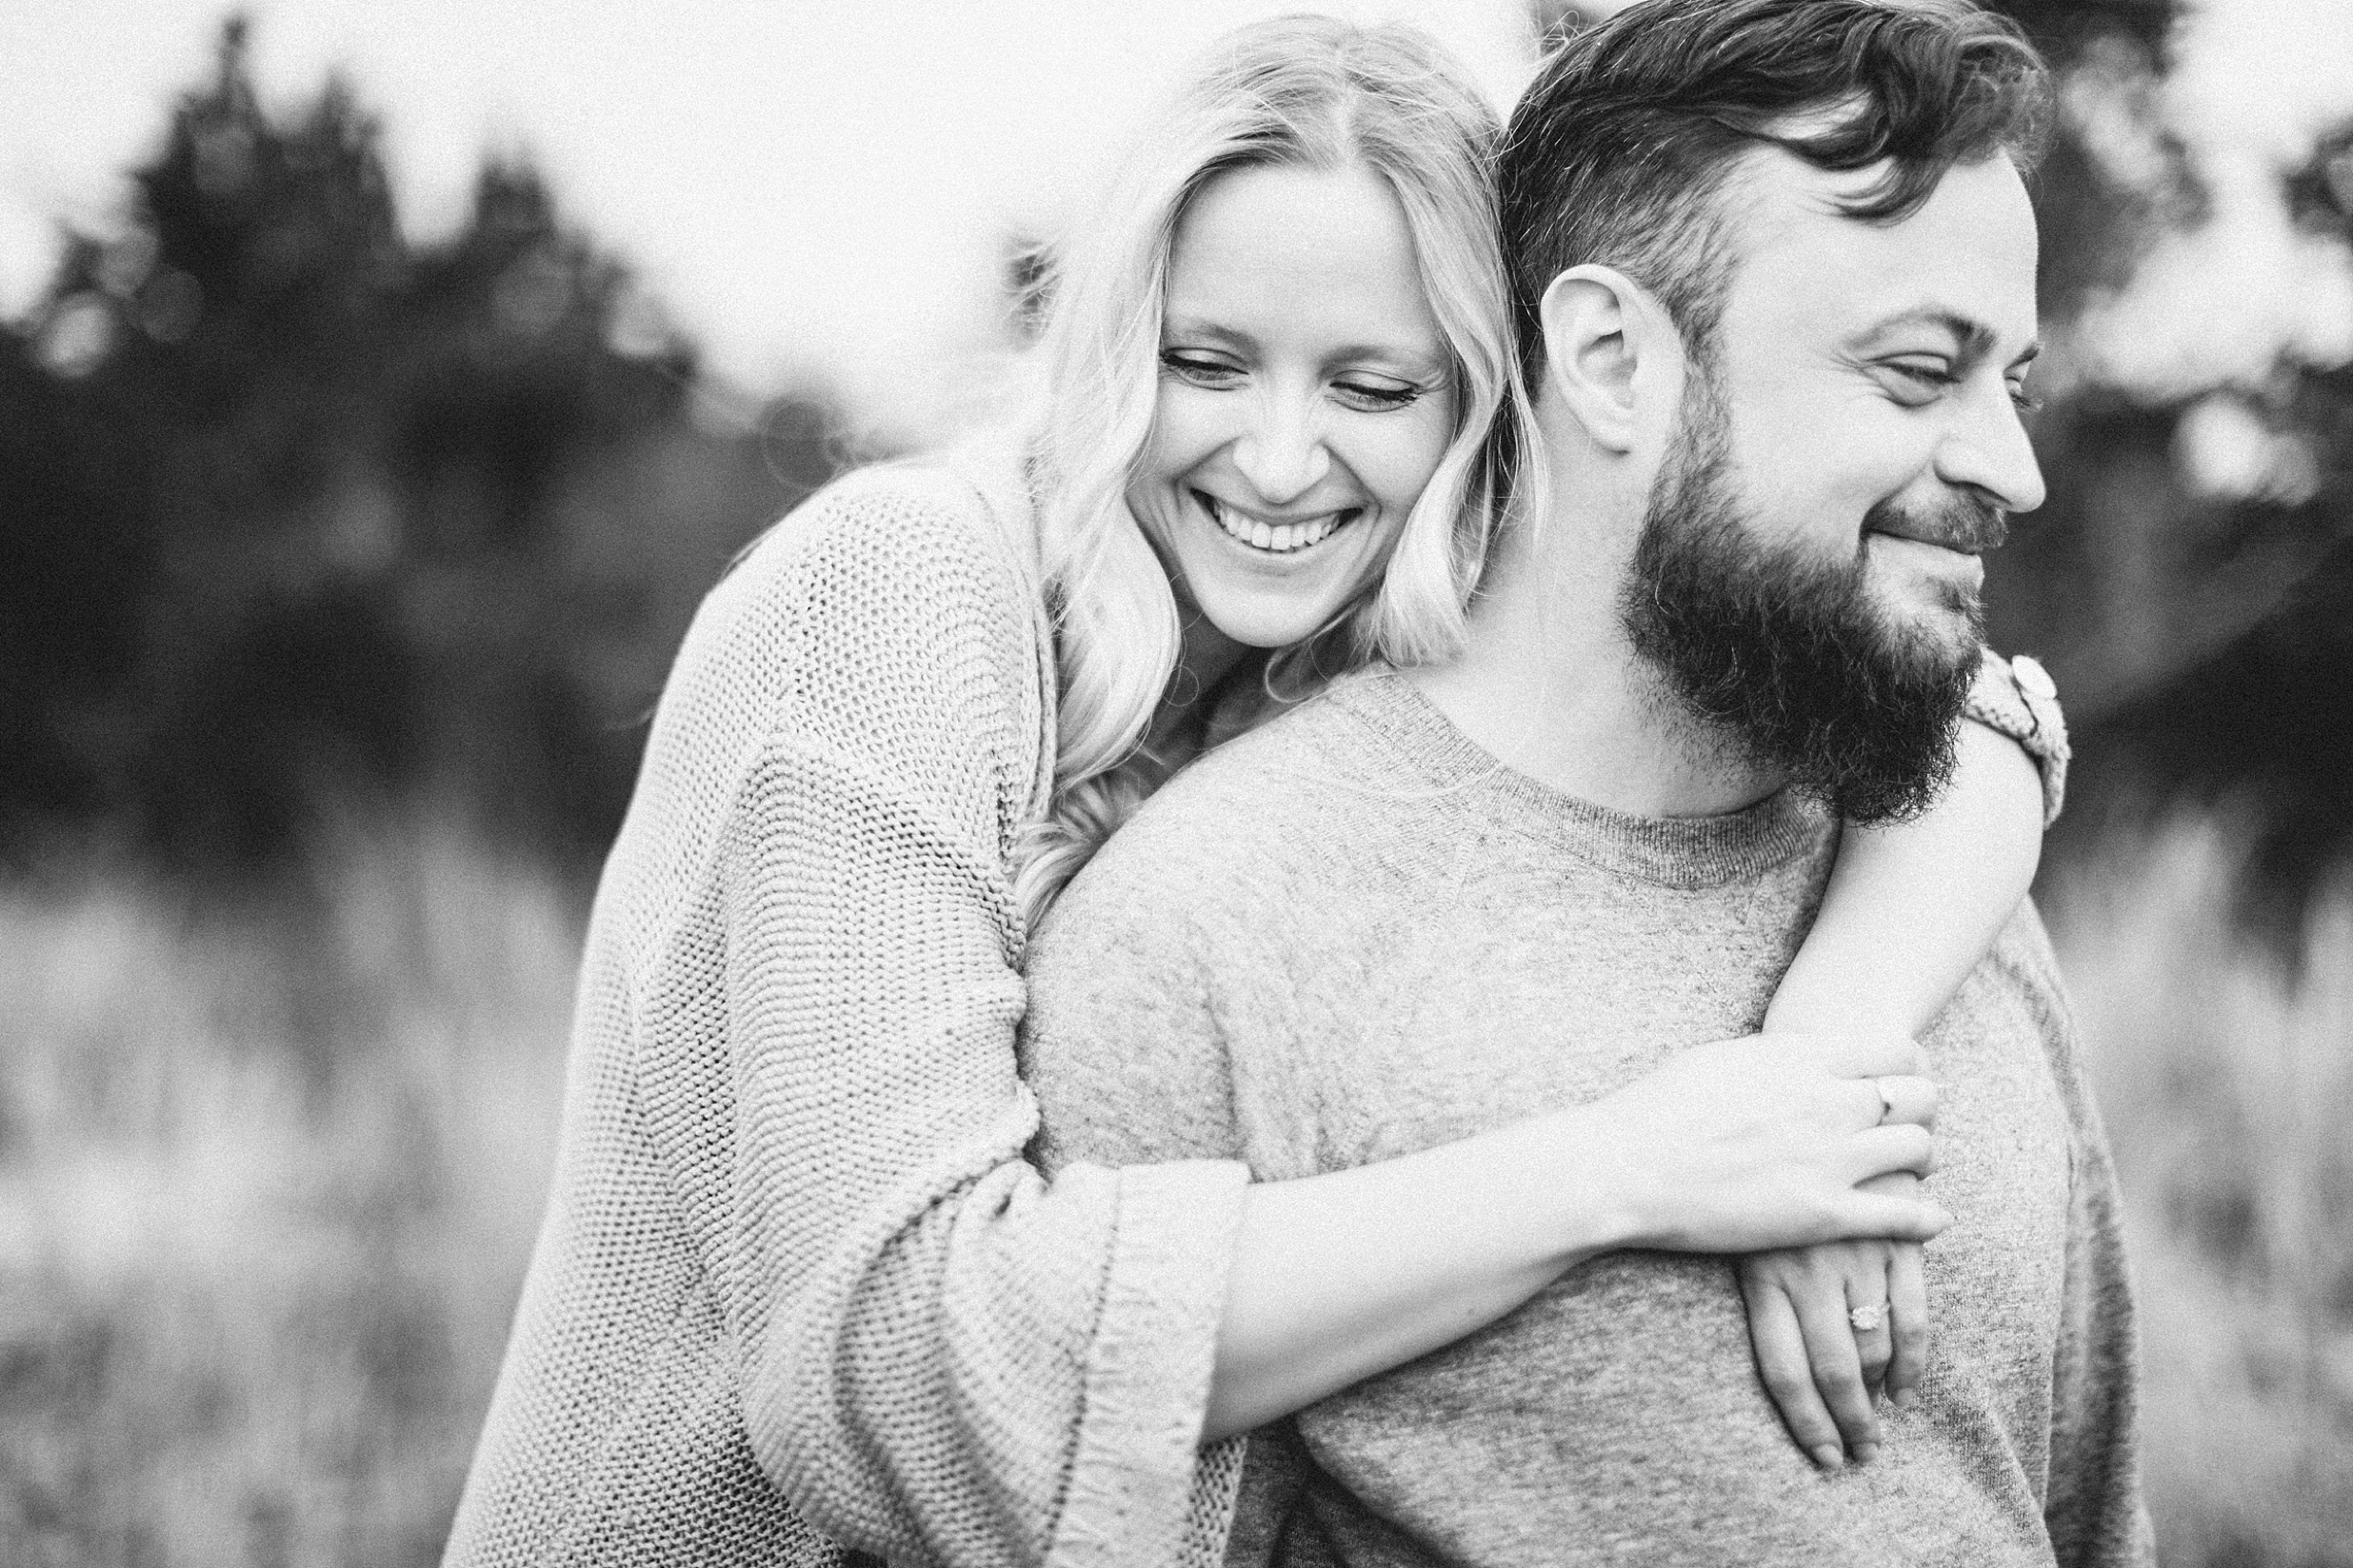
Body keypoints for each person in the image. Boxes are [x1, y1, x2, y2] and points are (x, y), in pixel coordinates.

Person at [443, 15, 2068, 1568]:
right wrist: (1636, 1166)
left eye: (1371, 390)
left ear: (1488, 405)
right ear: (1110, 345)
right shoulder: (900, 592)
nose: (1283, 462)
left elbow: (1986, 716)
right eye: (1207, 364)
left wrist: (1830, 1050)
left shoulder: (1368, 635)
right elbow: (898, 1361)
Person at [1020, 2, 2148, 1565]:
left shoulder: (1938, 883)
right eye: (1916, 373)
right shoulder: (1203, 937)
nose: (2012, 470)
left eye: (2010, 382)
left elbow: (2084, 1514)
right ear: (1612, 357)